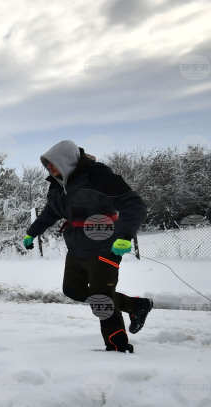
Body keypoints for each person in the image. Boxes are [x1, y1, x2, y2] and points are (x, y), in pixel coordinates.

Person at [23, 140, 153, 353]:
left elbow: (133, 203)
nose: (50, 167)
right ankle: (136, 305)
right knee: (73, 290)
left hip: (105, 245)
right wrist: (32, 232)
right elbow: (51, 211)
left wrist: (124, 235)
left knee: (102, 297)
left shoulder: (98, 175)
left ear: (66, 160)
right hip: (77, 247)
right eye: (47, 163)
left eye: (53, 162)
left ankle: (118, 347)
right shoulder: (57, 184)